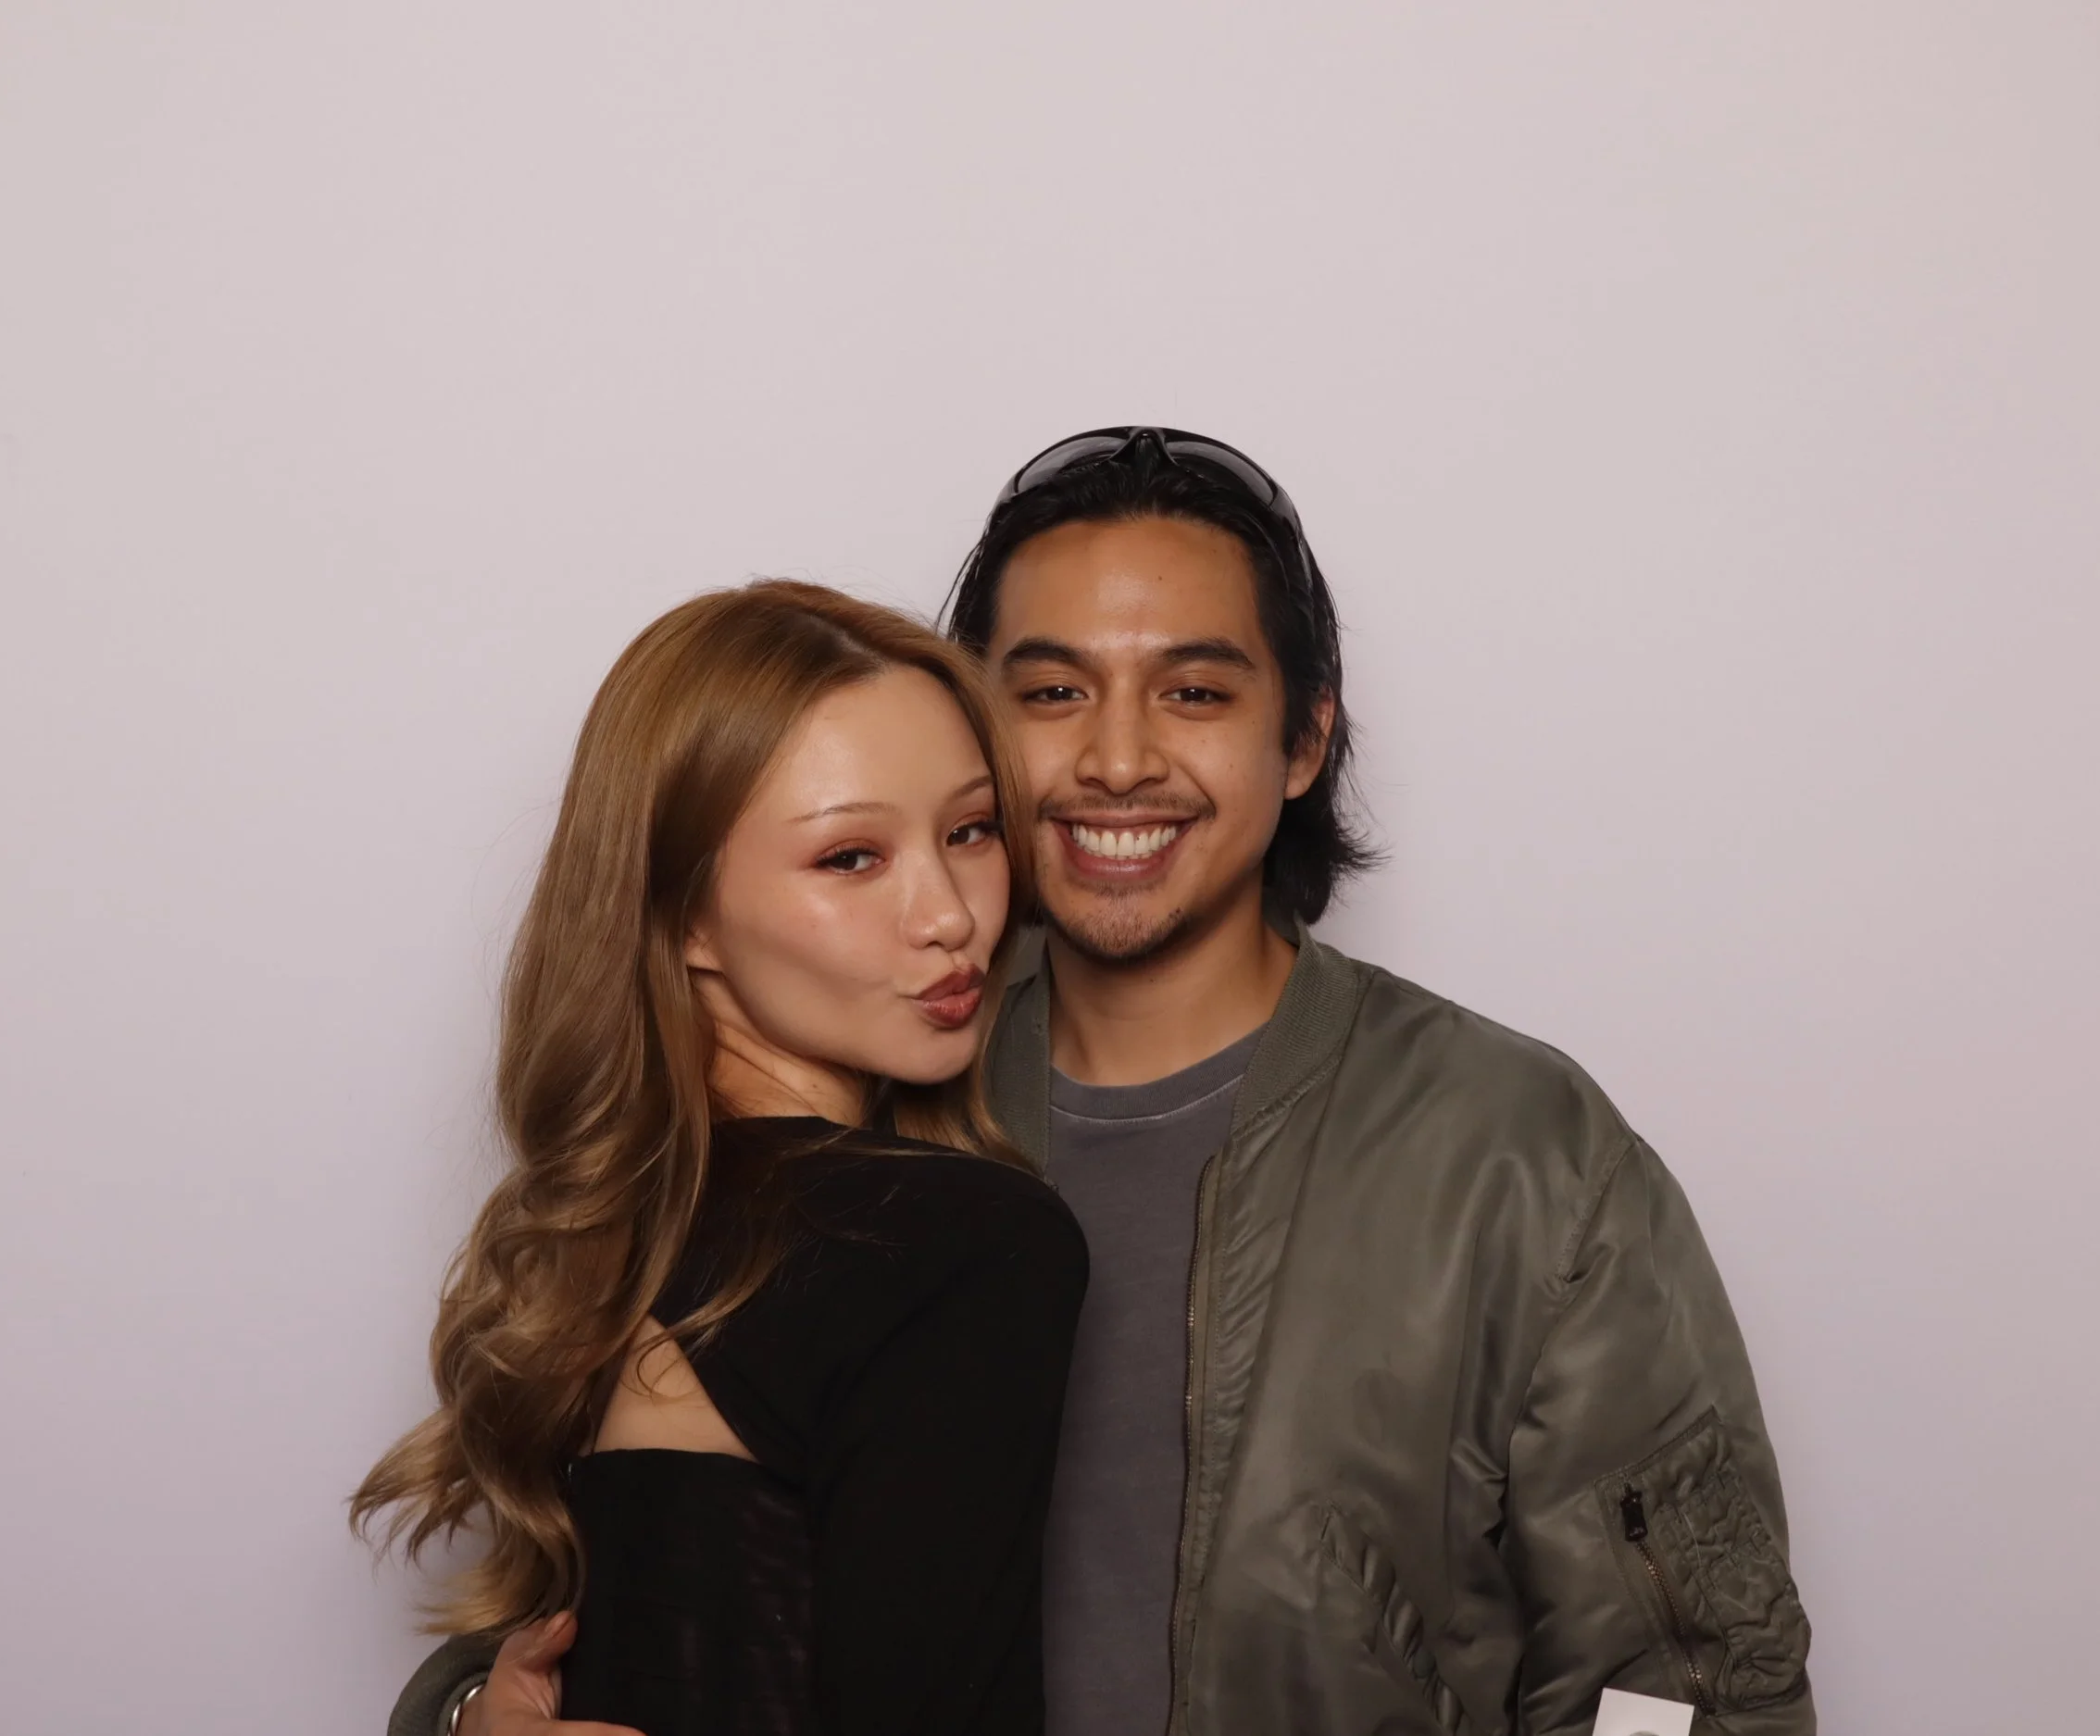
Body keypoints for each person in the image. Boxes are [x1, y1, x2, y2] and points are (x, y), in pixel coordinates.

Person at [397, 430, 1815, 1736]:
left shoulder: (1516, 1152)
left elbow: (1689, 1678)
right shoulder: (852, 1094)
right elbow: (618, 1582)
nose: (1120, 756)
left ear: (1306, 737)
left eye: (1195, 691)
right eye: (1052, 691)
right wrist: (469, 1715)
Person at [356, 581, 1087, 1736]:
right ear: (684, 917)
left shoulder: (619, 1245)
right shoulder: (956, 1239)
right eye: (850, 858)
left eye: (969, 831)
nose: (948, 913)